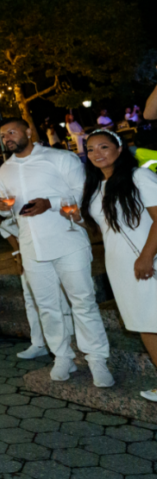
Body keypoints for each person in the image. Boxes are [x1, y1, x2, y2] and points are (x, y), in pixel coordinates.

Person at [0, 117, 113, 386]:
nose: (8, 138)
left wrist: (49, 203)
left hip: (68, 241)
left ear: (29, 130)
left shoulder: (60, 158)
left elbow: (84, 193)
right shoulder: (6, 169)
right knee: (47, 306)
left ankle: (97, 359)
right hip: (31, 246)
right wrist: (3, 206)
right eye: (3, 135)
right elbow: (3, 205)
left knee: (83, 302)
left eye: (12, 132)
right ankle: (62, 357)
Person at [77, 129, 157, 401]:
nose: (96, 154)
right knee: (144, 323)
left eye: (103, 147)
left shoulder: (139, 177)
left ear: (119, 149)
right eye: (90, 149)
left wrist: (146, 256)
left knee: (151, 321)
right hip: (119, 266)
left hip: (148, 261)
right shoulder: (95, 187)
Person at [0, 190, 73, 359]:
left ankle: (69, 339)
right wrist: (18, 256)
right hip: (27, 254)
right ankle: (38, 343)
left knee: (58, 296)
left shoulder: (19, 211)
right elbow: (10, 236)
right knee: (29, 299)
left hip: (46, 251)